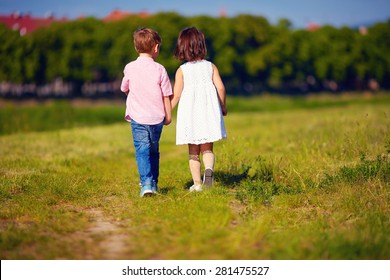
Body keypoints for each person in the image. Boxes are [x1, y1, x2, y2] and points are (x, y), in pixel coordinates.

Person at [170, 27, 227, 192]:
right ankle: (208, 171)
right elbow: (221, 88)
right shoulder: (210, 67)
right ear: (201, 45)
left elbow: (177, 95)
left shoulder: (182, 71)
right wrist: (223, 105)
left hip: (190, 115)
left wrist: (166, 112)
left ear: (182, 48)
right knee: (207, 148)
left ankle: (197, 184)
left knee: (193, 152)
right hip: (209, 112)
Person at [120, 28, 173, 197]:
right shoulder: (160, 69)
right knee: (153, 151)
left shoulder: (129, 67)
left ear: (136, 48)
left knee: (142, 149)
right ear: (156, 47)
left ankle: (147, 184)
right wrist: (169, 115)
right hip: (157, 118)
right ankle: (153, 183)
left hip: (138, 117)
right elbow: (166, 95)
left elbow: (124, 88)